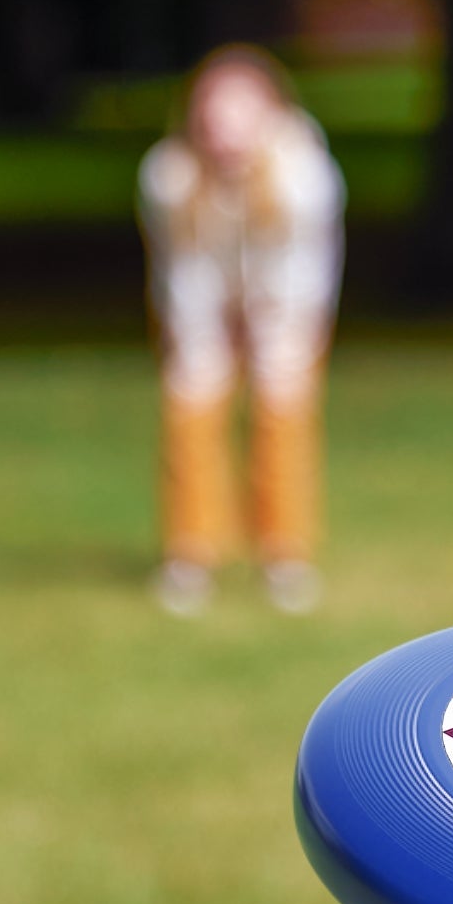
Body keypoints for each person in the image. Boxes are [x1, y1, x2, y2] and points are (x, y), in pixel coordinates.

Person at [138, 45, 345, 616]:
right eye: (213, 112)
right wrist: (204, 338)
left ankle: (285, 555)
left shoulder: (304, 175)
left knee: (283, 413)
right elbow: (182, 270)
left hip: (286, 306)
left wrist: (270, 331)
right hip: (200, 304)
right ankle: (191, 554)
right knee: (191, 406)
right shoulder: (169, 176)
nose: (225, 129)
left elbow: (303, 270)